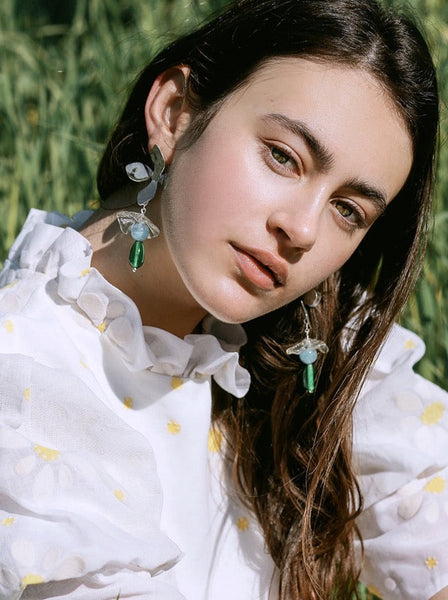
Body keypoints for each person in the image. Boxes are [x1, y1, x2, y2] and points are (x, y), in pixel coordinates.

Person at [0, 0, 447, 599]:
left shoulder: (318, 356)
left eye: (349, 210)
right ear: (176, 112)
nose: (305, 229)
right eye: (283, 156)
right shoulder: (22, 378)